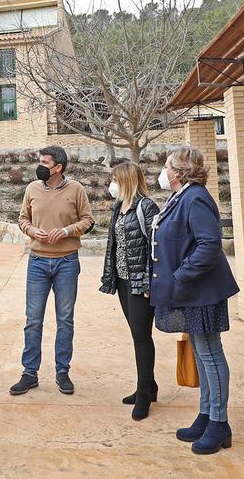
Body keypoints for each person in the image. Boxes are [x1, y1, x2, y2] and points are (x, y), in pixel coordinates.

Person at [149, 145, 240, 456]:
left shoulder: (195, 197)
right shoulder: (183, 196)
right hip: (193, 291)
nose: (164, 170)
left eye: (167, 165)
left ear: (179, 171)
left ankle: (219, 423)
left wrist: (181, 276)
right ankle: (205, 415)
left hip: (202, 291)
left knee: (210, 353)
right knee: (201, 353)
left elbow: (209, 244)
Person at [11, 146, 95, 397]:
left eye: (45, 162)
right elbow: (22, 218)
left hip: (67, 262)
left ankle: (62, 372)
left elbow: (88, 220)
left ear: (58, 167)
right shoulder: (32, 189)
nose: (40, 165)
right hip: (37, 261)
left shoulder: (76, 189)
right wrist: (31, 231)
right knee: (33, 320)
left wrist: (68, 231)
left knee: (65, 320)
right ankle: (29, 373)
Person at [99, 160, 161, 420]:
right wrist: (110, 276)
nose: (111, 184)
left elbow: (155, 249)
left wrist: (148, 283)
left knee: (141, 336)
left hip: (140, 283)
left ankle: (143, 394)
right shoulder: (118, 208)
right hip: (124, 281)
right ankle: (151, 385)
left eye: (115, 179)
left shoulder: (146, 207)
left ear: (125, 180)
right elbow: (114, 245)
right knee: (137, 334)